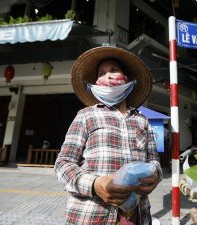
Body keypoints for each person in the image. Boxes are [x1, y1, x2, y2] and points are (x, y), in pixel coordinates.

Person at [54, 46, 163, 225]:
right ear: (96, 83)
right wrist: (95, 185)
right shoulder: (86, 115)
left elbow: (154, 161)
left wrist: (156, 175)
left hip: (137, 216)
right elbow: (63, 164)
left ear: (127, 79)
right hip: (90, 215)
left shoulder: (142, 120)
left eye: (114, 70)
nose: (108, 76)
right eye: (102, 73)